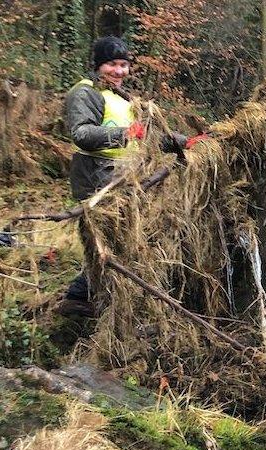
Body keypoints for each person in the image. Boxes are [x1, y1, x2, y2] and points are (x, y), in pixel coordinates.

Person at [59, 36, 198, 316]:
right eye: (112, 64)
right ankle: (80, 297)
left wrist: (186, 142)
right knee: (108, 238)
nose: (119, 71)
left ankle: (92, 295)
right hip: (95, 176)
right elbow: (82, 134)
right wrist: (123, 134)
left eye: (123, 65)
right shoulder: (86, 93)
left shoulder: (124, 98)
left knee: (119, 238)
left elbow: (150, 137)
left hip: (123, 176)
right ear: (99, 65)